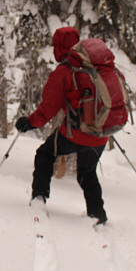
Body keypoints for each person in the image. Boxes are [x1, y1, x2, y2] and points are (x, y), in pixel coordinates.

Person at [15, 26, 108, 224]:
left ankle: (39, 199)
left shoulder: (65, 72)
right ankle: (97, 214)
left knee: (45, 154)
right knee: (87, 172)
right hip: (101, 133)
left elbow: (48, 109)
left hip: (76, 132)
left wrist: (29, 123)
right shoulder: (95, 65)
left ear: (58, 46)